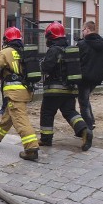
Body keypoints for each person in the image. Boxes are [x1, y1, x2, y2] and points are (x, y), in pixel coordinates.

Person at [0, 27, 40, 161]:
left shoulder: (6, 52)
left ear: (7, 39)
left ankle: (31, 147)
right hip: (25, 89)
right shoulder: (24, 52)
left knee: (20, 119)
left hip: (14, 91)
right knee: (9, 114)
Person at [39, 22, 93, 151]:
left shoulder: (54, 50)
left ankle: (46, 139)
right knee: (70, 112)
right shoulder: (69, 50)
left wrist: (41, 64)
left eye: (48, 37)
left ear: (52, 36)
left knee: (47, 113)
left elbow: (47, 68)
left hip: (54, 89)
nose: (47, 40)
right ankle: (85, 130)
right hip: (70, 89)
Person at [77, 21, 103, 134]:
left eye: (82, 30)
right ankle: (91, 121)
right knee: (85, 98)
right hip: (97, 77)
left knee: (83, 101)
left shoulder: (83, 44)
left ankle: (88, 126)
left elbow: (77, 61)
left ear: (87, 29)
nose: (82, 32)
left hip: (84, 77)